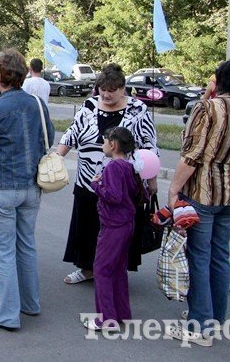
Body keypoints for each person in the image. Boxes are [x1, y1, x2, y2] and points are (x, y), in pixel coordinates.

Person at [165, 60, 230, 346]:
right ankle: (214, 318)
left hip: (203, 193)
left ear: (217, 80)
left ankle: (199, 326)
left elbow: (191, 154)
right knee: (219, 256)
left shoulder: (206, 108)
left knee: (199, 256)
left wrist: (174, 190)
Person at [0, 49, 54, 331]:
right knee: (26, 245)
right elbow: (48, 138)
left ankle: (7, 315)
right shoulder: (38, 104)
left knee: (3, 252)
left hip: (1, 188)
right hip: (31, 186)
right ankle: (30, 304)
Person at [58, 64, 158, 285]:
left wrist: (152, 180)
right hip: (88, 181)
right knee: (87, 225)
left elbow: (150, 146)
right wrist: (56, 158)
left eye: (111, 90)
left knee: (118, 230)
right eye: (102, 89)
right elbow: (72, 134)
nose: (106, 94)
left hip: (122, 184)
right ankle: (87, 268)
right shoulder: (90, 105)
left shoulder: (138, 110)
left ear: (123, 88)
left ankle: (115, 271)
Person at [83, 127, 141, 331]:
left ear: (113, 144)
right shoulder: (127, 166)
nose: (102, 145)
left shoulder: (112, 168)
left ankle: (106, 318)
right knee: (117, 269)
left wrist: (97, 185)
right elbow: (131, 191)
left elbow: (114, 196)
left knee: (102, 269)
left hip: (113, 224)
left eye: (104, 141)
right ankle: (121, 312)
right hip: (126, 222)